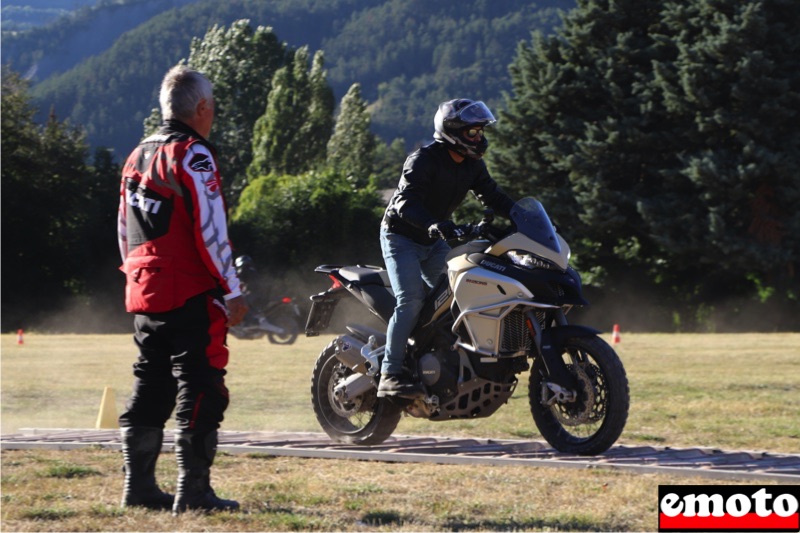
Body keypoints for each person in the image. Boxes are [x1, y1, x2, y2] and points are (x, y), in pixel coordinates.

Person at [116, 65, 248, 514]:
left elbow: (123, 227)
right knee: (203, 383)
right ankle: (193, 492)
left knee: (150, 381)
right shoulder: (193, 154)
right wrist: (232, 289)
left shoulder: (137, 155)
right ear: (203, 108)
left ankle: (139, 488)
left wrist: (133, 272)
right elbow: (212, 230)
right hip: (189, 286)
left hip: (143, 284)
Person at [378, 99, 516, 398]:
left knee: (456, 296)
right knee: (412, 300)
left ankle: (443, 362)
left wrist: (521, 215)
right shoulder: (423, 160)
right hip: (401, 237)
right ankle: (390, 373)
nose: (478, 138)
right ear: (453, 131)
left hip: (433, 238)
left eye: (480, 132)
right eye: (472, 133)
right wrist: (432, 224)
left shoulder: (472, 164)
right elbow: (404, 202)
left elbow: (492, 195)